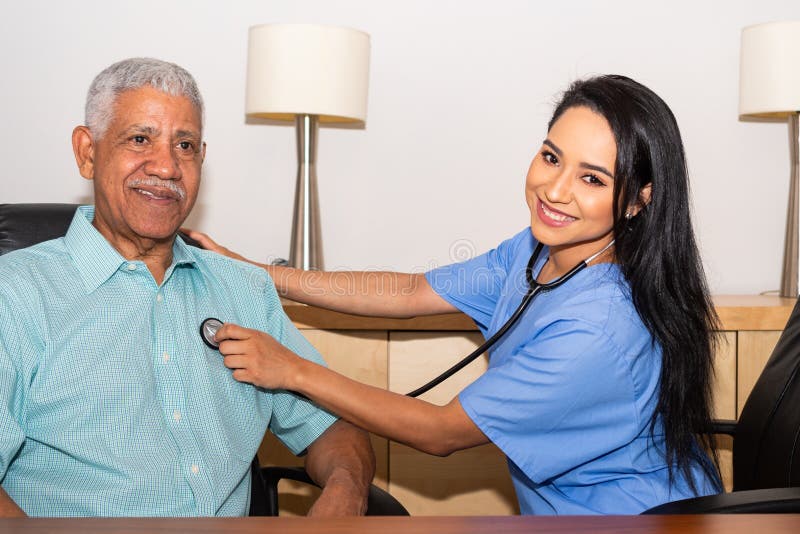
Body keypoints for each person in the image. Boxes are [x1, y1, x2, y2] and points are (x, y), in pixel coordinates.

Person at [187, 74, 723, 515]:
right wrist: (258, 272)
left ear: (638, 202)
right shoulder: (538, 252)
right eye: (552, 158)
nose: (554, 191)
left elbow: (439, 431)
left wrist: (291, 370)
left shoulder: (599, 330)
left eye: (593, 179)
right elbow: (410, 291)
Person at [0, 58, 374, 518]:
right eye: (140, 139)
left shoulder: (245, 290)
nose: (167, 166)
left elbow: (333, 429)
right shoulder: (15, 294)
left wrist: (345, 492)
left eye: (186, 145)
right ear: (87, 151)